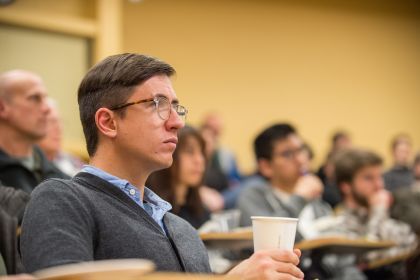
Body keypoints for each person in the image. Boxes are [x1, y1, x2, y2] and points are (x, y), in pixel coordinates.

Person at [21, 53, 304, 279]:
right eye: (158, 104)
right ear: (108, 122)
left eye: (176, 107)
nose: (177, 122)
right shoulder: (62, 200)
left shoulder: (183, 230)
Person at [312, 148, 417, 278]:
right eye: (368, 178)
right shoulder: (332, 226)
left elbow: (413, 244)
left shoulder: (383, 218)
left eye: (380, 177)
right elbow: (368, 253)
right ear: (346, 186)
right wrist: (378, 210)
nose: (379, 185)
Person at [236, 123, 329, 237]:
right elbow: (273, 239)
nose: (300, 160)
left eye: (300, 150)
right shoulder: (254, 197)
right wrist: (299, 199)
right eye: (287, 154)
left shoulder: (314, 198)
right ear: (266, 167)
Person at [0, 70, 69, 193]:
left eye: (45, 99)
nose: (47, 109)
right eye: (35, 98)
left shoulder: (55, 173)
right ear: (2, 107)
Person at [147, 125, 211, 229]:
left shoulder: (202, 212)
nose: (199, 160)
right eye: (190, 151)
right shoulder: (154, 213)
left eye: (202, 153)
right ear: (169, 153)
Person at [200, 113, 242, 209]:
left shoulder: (226, 155)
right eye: (210, 128)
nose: (214, 132)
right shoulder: (195, 160)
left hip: (224, 194)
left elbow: (235, 181)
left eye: (217, 130)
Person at [37, 98, 84, 177]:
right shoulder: (29, 166)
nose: (58, 128)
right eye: (51, 122)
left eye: (60, 122)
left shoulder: (73, 161)